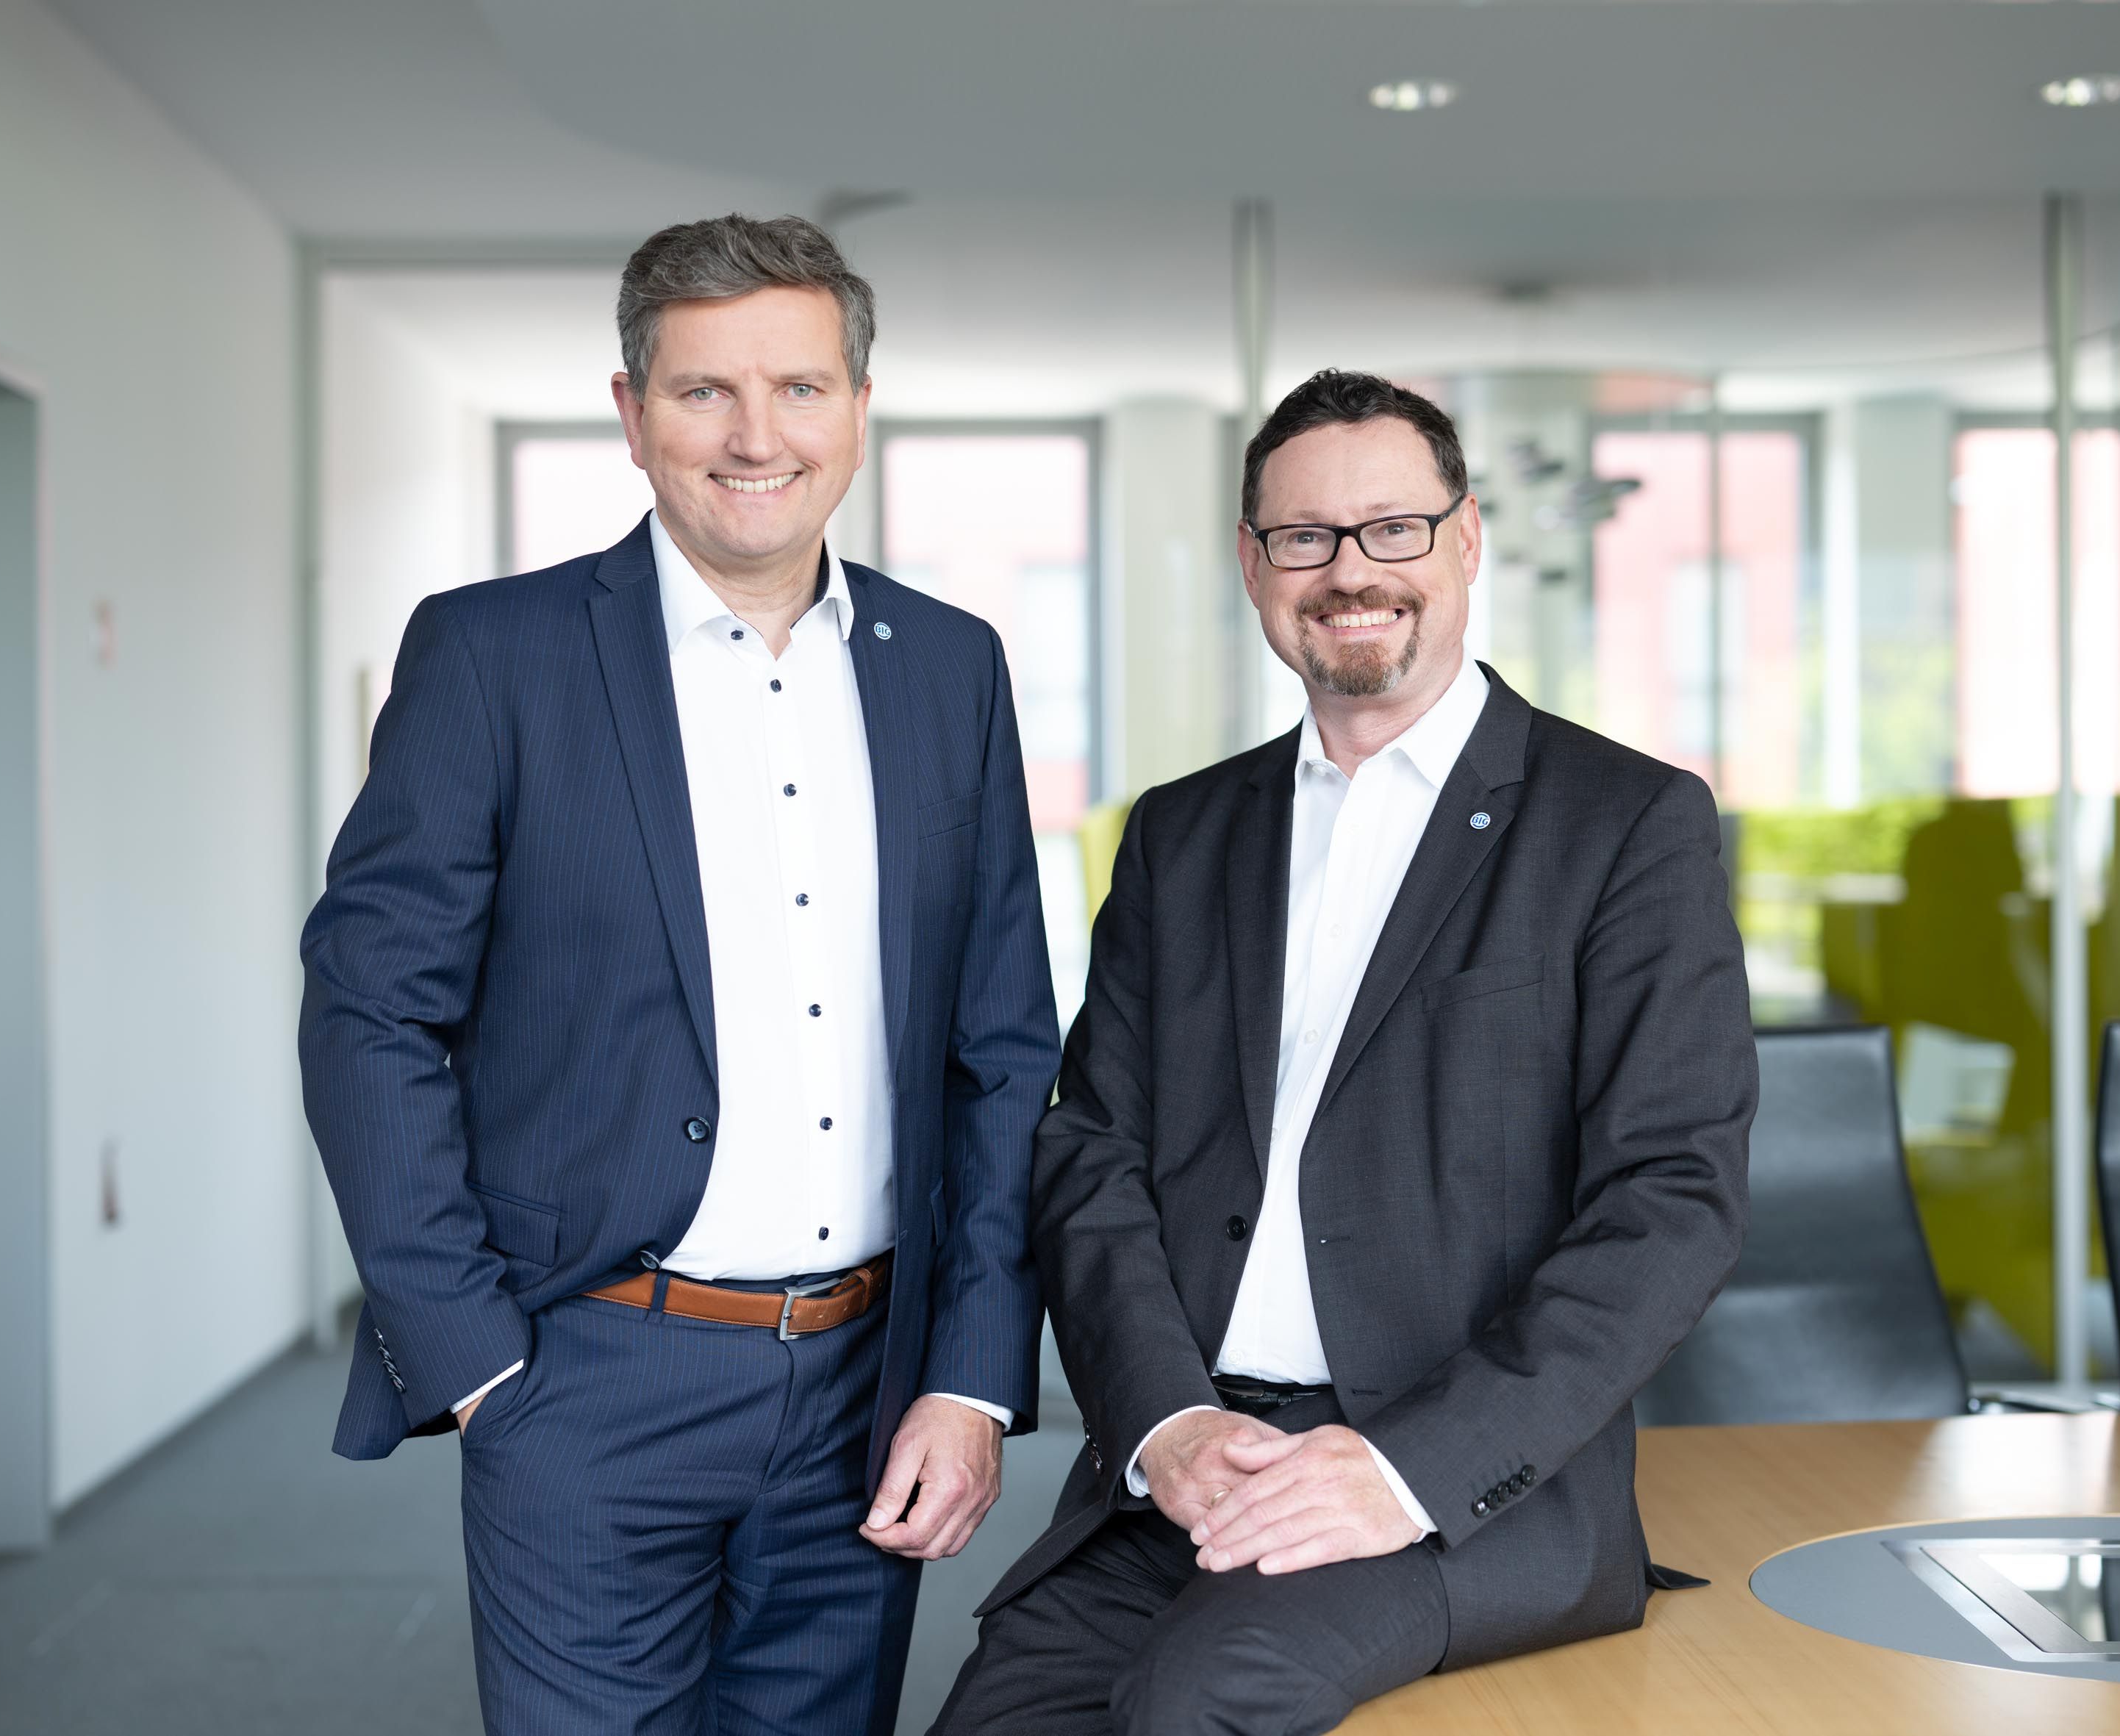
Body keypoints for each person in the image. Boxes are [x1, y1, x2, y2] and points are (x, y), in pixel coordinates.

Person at [298, 213, 1059, 1735]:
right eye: (706, 390)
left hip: (868, 1387)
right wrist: (477, 1364)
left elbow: (1001, 1047)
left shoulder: (950, 666)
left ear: (858, 408)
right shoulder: (493, 655)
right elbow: (370, 1009)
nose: (755, 436)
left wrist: (972, 1373)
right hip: (584, 1373)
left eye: (800, 387)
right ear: (632, 412)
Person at [933, 369, 1756, 1735]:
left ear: (1467, 539)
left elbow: (1672, 1203)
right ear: (1255, 564)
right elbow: (1093, 1153)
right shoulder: (1183, 834)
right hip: (1197, 1458)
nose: (1351, 570)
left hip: (1453, 1487)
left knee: (1201, 1699)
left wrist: (1400, 1467)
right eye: (1306, 535)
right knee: (1000, 1714)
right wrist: (1167, 1424)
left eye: (1394, 528)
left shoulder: (1624, 822)